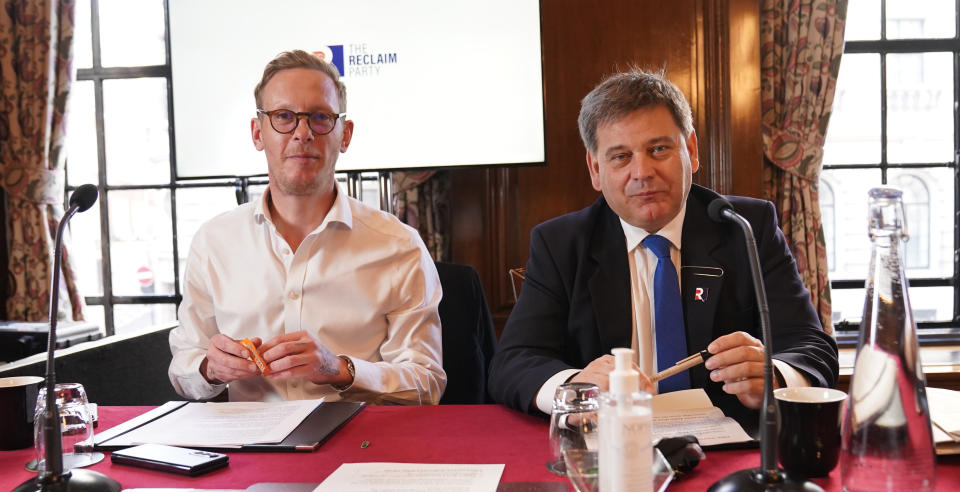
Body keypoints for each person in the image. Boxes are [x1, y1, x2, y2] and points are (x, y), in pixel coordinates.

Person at [488, 68, 838, 431]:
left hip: (730, 452)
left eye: (658, 149)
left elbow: (810, 346)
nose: (642, 172)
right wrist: (577, 390)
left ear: (691, 151)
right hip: (608, 446)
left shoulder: (746, 227)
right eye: (621, 157)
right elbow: (513, 362)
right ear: (595, 169)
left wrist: (773, 375)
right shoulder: (561, 244)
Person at [169, 50, 445, 404]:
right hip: (254, 452)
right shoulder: (214, 242)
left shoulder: (399, 245)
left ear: (344, 135)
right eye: (284, 116)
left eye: (319, 117)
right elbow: (182, 368)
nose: (302, 133)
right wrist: (210, 368)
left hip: (359, 447)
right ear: (258, 133)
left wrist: (339, 369)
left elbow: (427, 383)